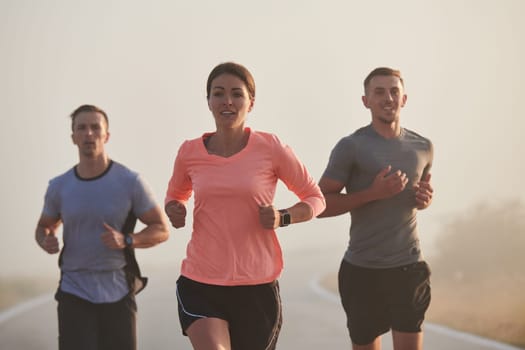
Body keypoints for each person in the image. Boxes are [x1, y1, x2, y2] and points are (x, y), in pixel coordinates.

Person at [165, 62, 326, 350]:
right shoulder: (189, 152)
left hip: (256, 286)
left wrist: (282, 217)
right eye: (219, 93)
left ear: (250, 103)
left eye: (237, 94)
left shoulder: (270, 147)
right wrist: (174, 209)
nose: (227, 101)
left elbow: (316, 199)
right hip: (201, 281)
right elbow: (175, 195)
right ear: (209, 101)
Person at [35, 104, 170, 350]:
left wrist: (128, 240)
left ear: (106, 135)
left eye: (95, 128)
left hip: (117, 290)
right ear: (73, 137)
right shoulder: (59, 186)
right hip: (74, 289)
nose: (89, 134)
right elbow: (44, 226)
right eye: (82, 128)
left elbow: (161, 228)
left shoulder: (130, 182)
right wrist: (46, 239)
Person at [318, 67, 434, 350]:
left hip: (409, 267)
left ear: (404, 98)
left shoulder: (423, 147)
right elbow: (320, 204)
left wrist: (425, 199)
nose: (388, 98)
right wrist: (372, 193)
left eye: (394, 91)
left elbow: (421, 196)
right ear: (365, 100)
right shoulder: (351, 147)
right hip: (362, 271)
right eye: (379, 92)